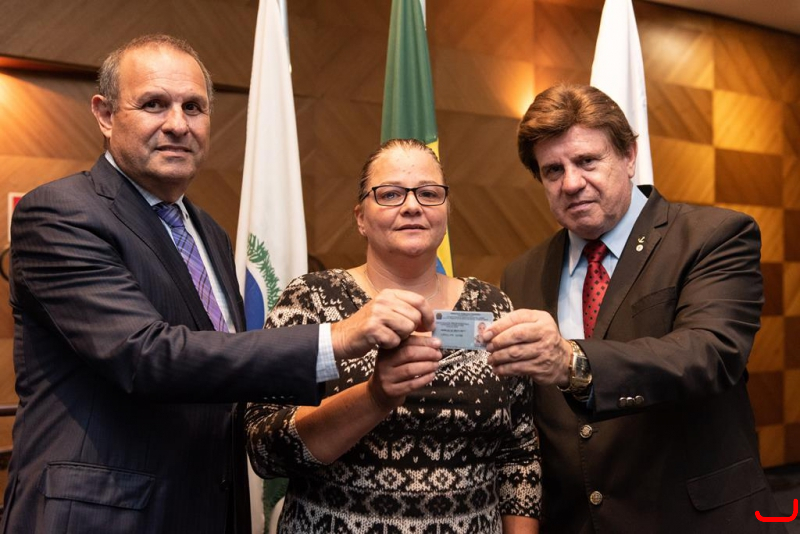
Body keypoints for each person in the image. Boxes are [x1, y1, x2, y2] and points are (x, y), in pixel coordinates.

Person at [2, 35, 432, 534]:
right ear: (104, 114)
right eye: (154, 104)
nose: (177, 124)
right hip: (101, 518)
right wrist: (336, 337)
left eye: (193, 107)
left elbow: (224, 372)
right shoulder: (61, 213)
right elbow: (146, 356)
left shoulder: (208, 232)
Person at [482, 83, 786, 533]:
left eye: (588, 161)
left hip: (693, 521)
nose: (571, 183)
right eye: (553, 170)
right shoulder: (522, 273)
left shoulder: (713, 237)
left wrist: (573, 362)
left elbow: (711, 353)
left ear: (629, 156)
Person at [246, 138, 542, 534]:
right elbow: (264, 450)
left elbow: (519, 452)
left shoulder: (493, 306)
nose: (412, 206)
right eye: (389, 194)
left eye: (429, 193)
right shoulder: (311, 300)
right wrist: (374, 398)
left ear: (446, 211)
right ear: (360, 218)